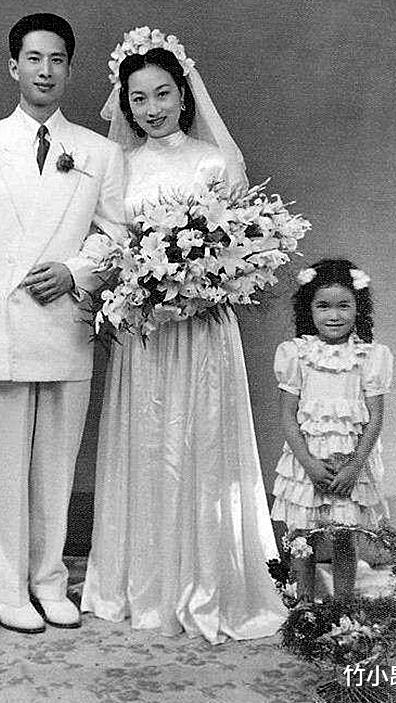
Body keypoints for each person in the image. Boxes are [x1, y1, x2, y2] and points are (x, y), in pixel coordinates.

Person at [82, 30, 286, 643]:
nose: (152, 108)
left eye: (163, 93)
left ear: (184, 93)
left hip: (202, 331)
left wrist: (201, 282)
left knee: (201, 442)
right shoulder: (118, 166)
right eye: (138, 97)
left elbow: (242, 247)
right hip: (146, 333)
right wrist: (141, 283)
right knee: (149, 444)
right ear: (125, 103)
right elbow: (110, 242)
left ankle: (209, 581)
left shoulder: (213, 161)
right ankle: (144, 584)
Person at [0, 13, 124, 634]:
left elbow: (117, 233)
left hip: (66, 321)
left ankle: (49, 581)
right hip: (2, 325)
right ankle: (8, 588)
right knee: (2, 469)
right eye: (33, 59)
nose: (45, 71)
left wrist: (76, 271)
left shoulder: (100, 152)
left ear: (69, 69)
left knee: (57, 464)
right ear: (13, 66)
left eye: (57, 60)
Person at [270, 259, 391, 601]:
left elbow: (375, 418)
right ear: (309, 309)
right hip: (306, 462)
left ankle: (342, 608)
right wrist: (309, 464)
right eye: (323, 306)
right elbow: (288, 416)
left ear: (358, 308)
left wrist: (355, 466)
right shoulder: (296, 354)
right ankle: (305, 608)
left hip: (350, 464)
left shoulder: (370, 356)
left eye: (344, 305)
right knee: (302, 540)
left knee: (344, 537)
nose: (333, 315)